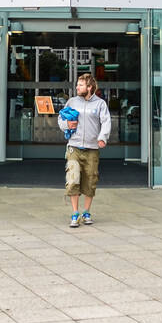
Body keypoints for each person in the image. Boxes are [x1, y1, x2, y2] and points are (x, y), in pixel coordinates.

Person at [58, 71, 112, 226]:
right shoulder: (72, 102)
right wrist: (66, 125)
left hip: (92, 149)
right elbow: (61, 118)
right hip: (74, 147)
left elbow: (106, 122)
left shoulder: (100, 104)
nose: (77, 87)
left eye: (80, 85)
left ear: (89, 87)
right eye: (77, 84)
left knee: (90, 180)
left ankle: (86, 212)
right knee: (73, 179)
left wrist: (102, 137)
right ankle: (75, 213)